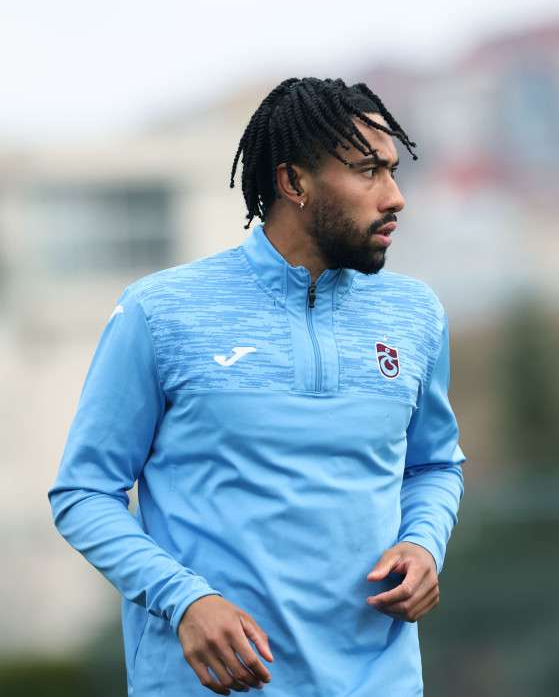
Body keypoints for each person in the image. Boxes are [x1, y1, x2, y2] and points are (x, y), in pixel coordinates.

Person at [48, 76, 467, 696]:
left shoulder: (415, 313)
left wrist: (423, 544)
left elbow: (434, 465)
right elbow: (84, 492)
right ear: (294, 182)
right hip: (211, 684)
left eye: (393, 171)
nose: (395, 197)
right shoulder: (160, 312)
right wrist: (185, 600)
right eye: (368, 172)